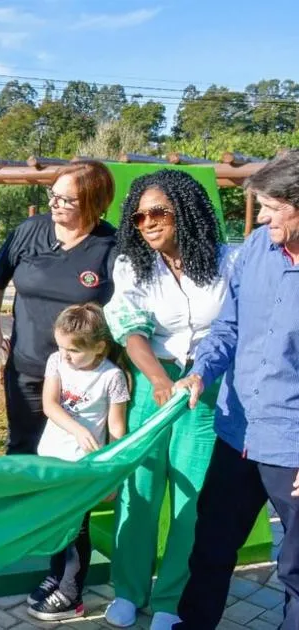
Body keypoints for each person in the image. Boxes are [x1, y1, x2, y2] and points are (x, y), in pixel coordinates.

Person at [101, 169, 238, 630]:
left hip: (207, 389)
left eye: (158, 212)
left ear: (187, 211)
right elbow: (131, 329)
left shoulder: (229, 262)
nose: (148, 223)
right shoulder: (132, 265)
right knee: (139, 492)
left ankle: (170, 599)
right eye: (139, 217)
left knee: (190, 499)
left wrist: (193, 378)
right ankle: (127, 590)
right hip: (151, 383)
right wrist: (159, 380)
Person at [171, 150, 299, 629]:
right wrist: (201, 369)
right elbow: (228, 325)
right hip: (237, 432)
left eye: (271, 206)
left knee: (295, 567)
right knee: (211, 547)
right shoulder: (255, 249)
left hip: (291, 447)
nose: (261, 216)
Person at [0, 160, 119, 455]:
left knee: (76, 453)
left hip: (84, 377)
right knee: (23, 449)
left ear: (94, 203)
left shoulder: (113, 245)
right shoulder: (29, 230)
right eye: (52, 194)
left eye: (66, 199)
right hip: (28, 367)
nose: (54, 203)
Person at [26, 303, 129, 621]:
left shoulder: (112, 377)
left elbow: (116, 429)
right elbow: (49, 404)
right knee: (58, 524)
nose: (65, 355)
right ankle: (55, 576)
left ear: (99, 346)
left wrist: (112, 476)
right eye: (61, 347)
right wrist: (78, 428)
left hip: (83, 468)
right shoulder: (57, 362)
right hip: (53, 459)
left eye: (73, 350)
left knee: (76, 528)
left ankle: (71, 593)